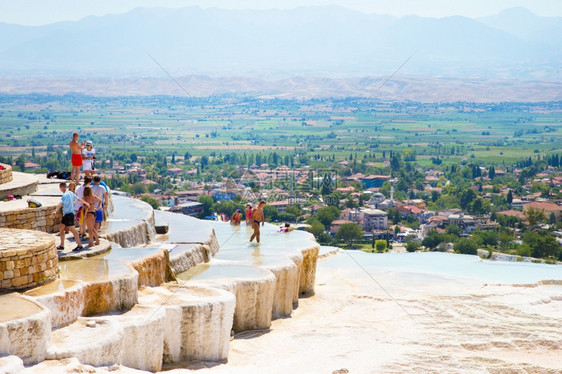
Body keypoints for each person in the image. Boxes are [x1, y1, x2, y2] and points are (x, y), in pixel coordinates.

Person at [52, 182, 89, 251]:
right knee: (61, 228)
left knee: (73, 230)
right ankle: (62, 245)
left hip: (68, 215)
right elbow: (78, 199)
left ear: (61, 187)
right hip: (67, 215)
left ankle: (79, 245)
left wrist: (55, 211)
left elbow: (60, 203)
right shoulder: (71, 193)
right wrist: (85, 203)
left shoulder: (64, 195)